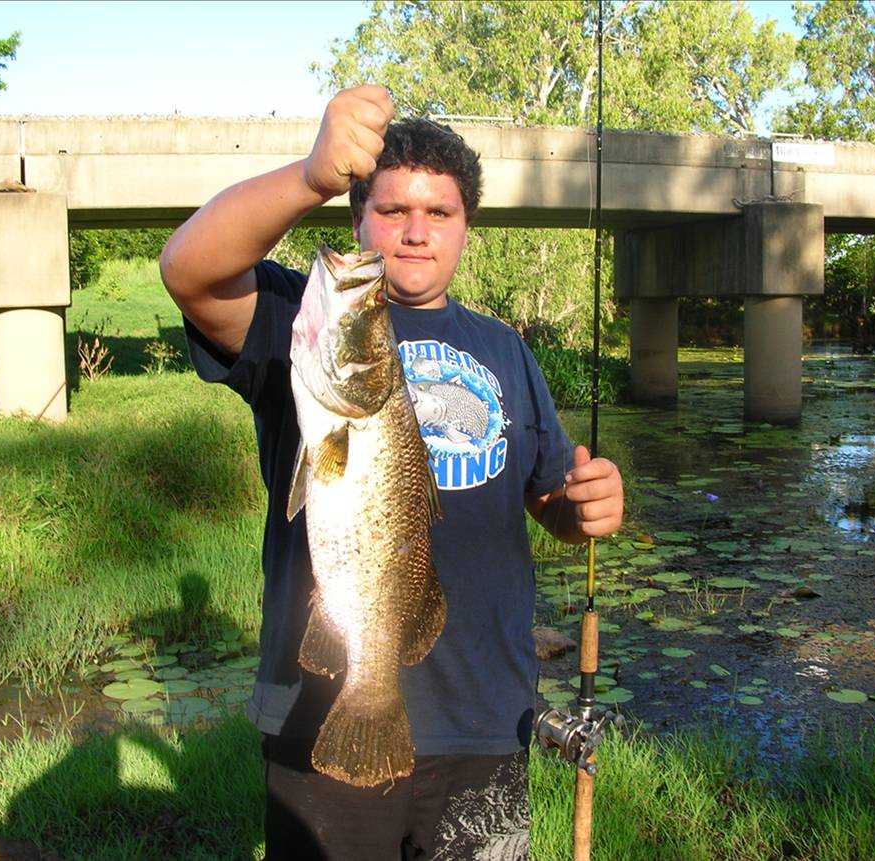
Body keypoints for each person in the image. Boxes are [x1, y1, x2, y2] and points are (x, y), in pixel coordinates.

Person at [160, 84, 624, 861]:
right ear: (356, 217)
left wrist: (583, 507)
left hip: (485, 717)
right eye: (391, 210)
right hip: (325, 711)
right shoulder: (302, 324)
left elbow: (545, 493)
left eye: (438, 213)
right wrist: (311, 174)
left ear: (465, 229)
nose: (415, 232)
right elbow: (189, 269)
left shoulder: (505, 348)